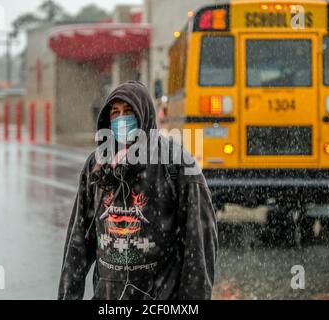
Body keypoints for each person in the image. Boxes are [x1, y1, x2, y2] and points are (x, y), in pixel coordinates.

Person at [58, 80, 218, 300]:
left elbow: (199, 247)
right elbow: (77, 246)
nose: (121, 119)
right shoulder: (97, 166)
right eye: (115, 112)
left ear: (144, 116)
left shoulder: (176, 165)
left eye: (129, 111)